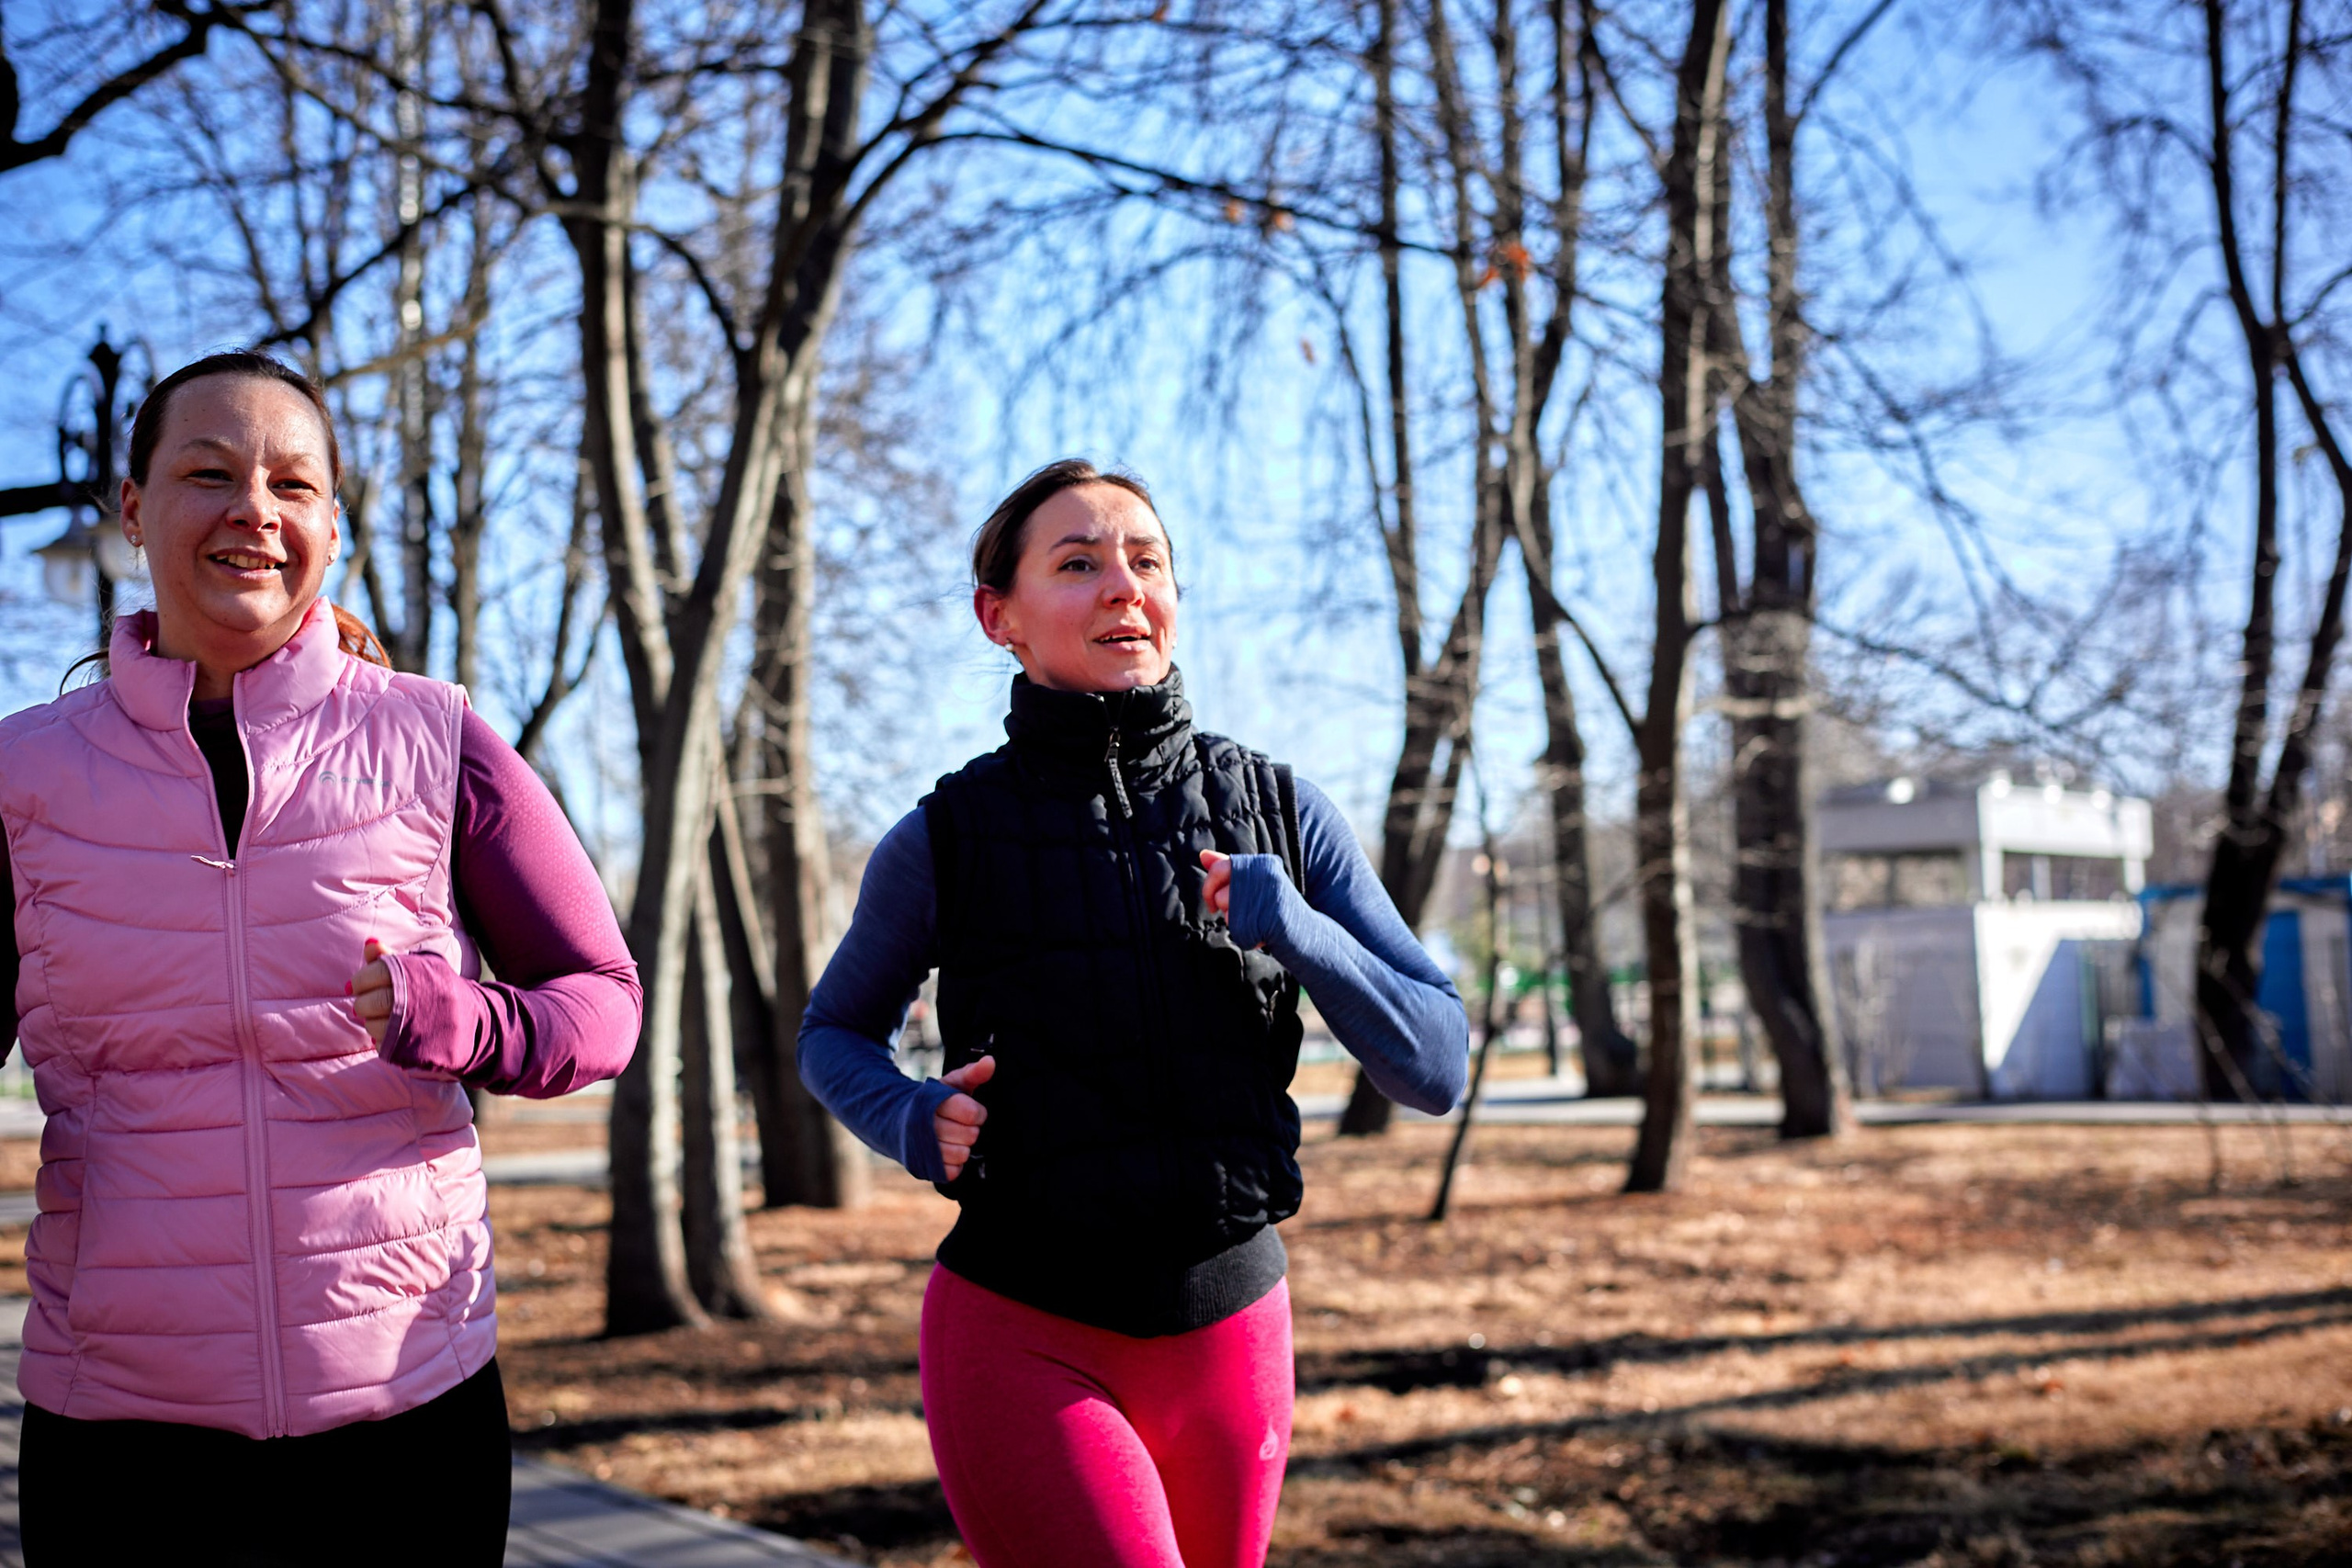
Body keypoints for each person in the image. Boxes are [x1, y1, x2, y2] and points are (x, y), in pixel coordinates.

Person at [0, 351, 640, 1564]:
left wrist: (468, 1021)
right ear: (133, 510)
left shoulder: (435, 737)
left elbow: (603, 1003)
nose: (255, 507)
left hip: (407, 1414)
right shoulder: (23, 777)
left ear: (331, 527)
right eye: (208, 471)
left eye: (293, 483)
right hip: (121, 1433)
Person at [799, 459, 1469, 1568]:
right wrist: (906, 1118)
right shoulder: (946, 838)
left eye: (1145, 560)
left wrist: (1297, 927)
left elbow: (1435, 1065)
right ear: (999, 618)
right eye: (1078, 564)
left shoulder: (1283, 810)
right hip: (1025, 1336)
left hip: (1234, 1334)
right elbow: (832, 1033)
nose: (1123, 586)